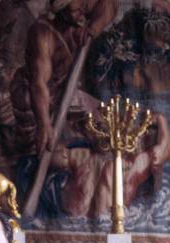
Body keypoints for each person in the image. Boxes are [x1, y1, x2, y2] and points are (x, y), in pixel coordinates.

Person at [10, 0, 118, 154]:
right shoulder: (43, 33)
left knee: (108, 124)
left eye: (83, 6)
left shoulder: (81, 17)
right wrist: (44, 123)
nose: (82, 12)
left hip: (64, 91)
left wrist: (92, 30)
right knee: (43, 147)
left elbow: (110, 5)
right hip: (35, 96)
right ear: (61, 10)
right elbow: (39, 83)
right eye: (75, 9)